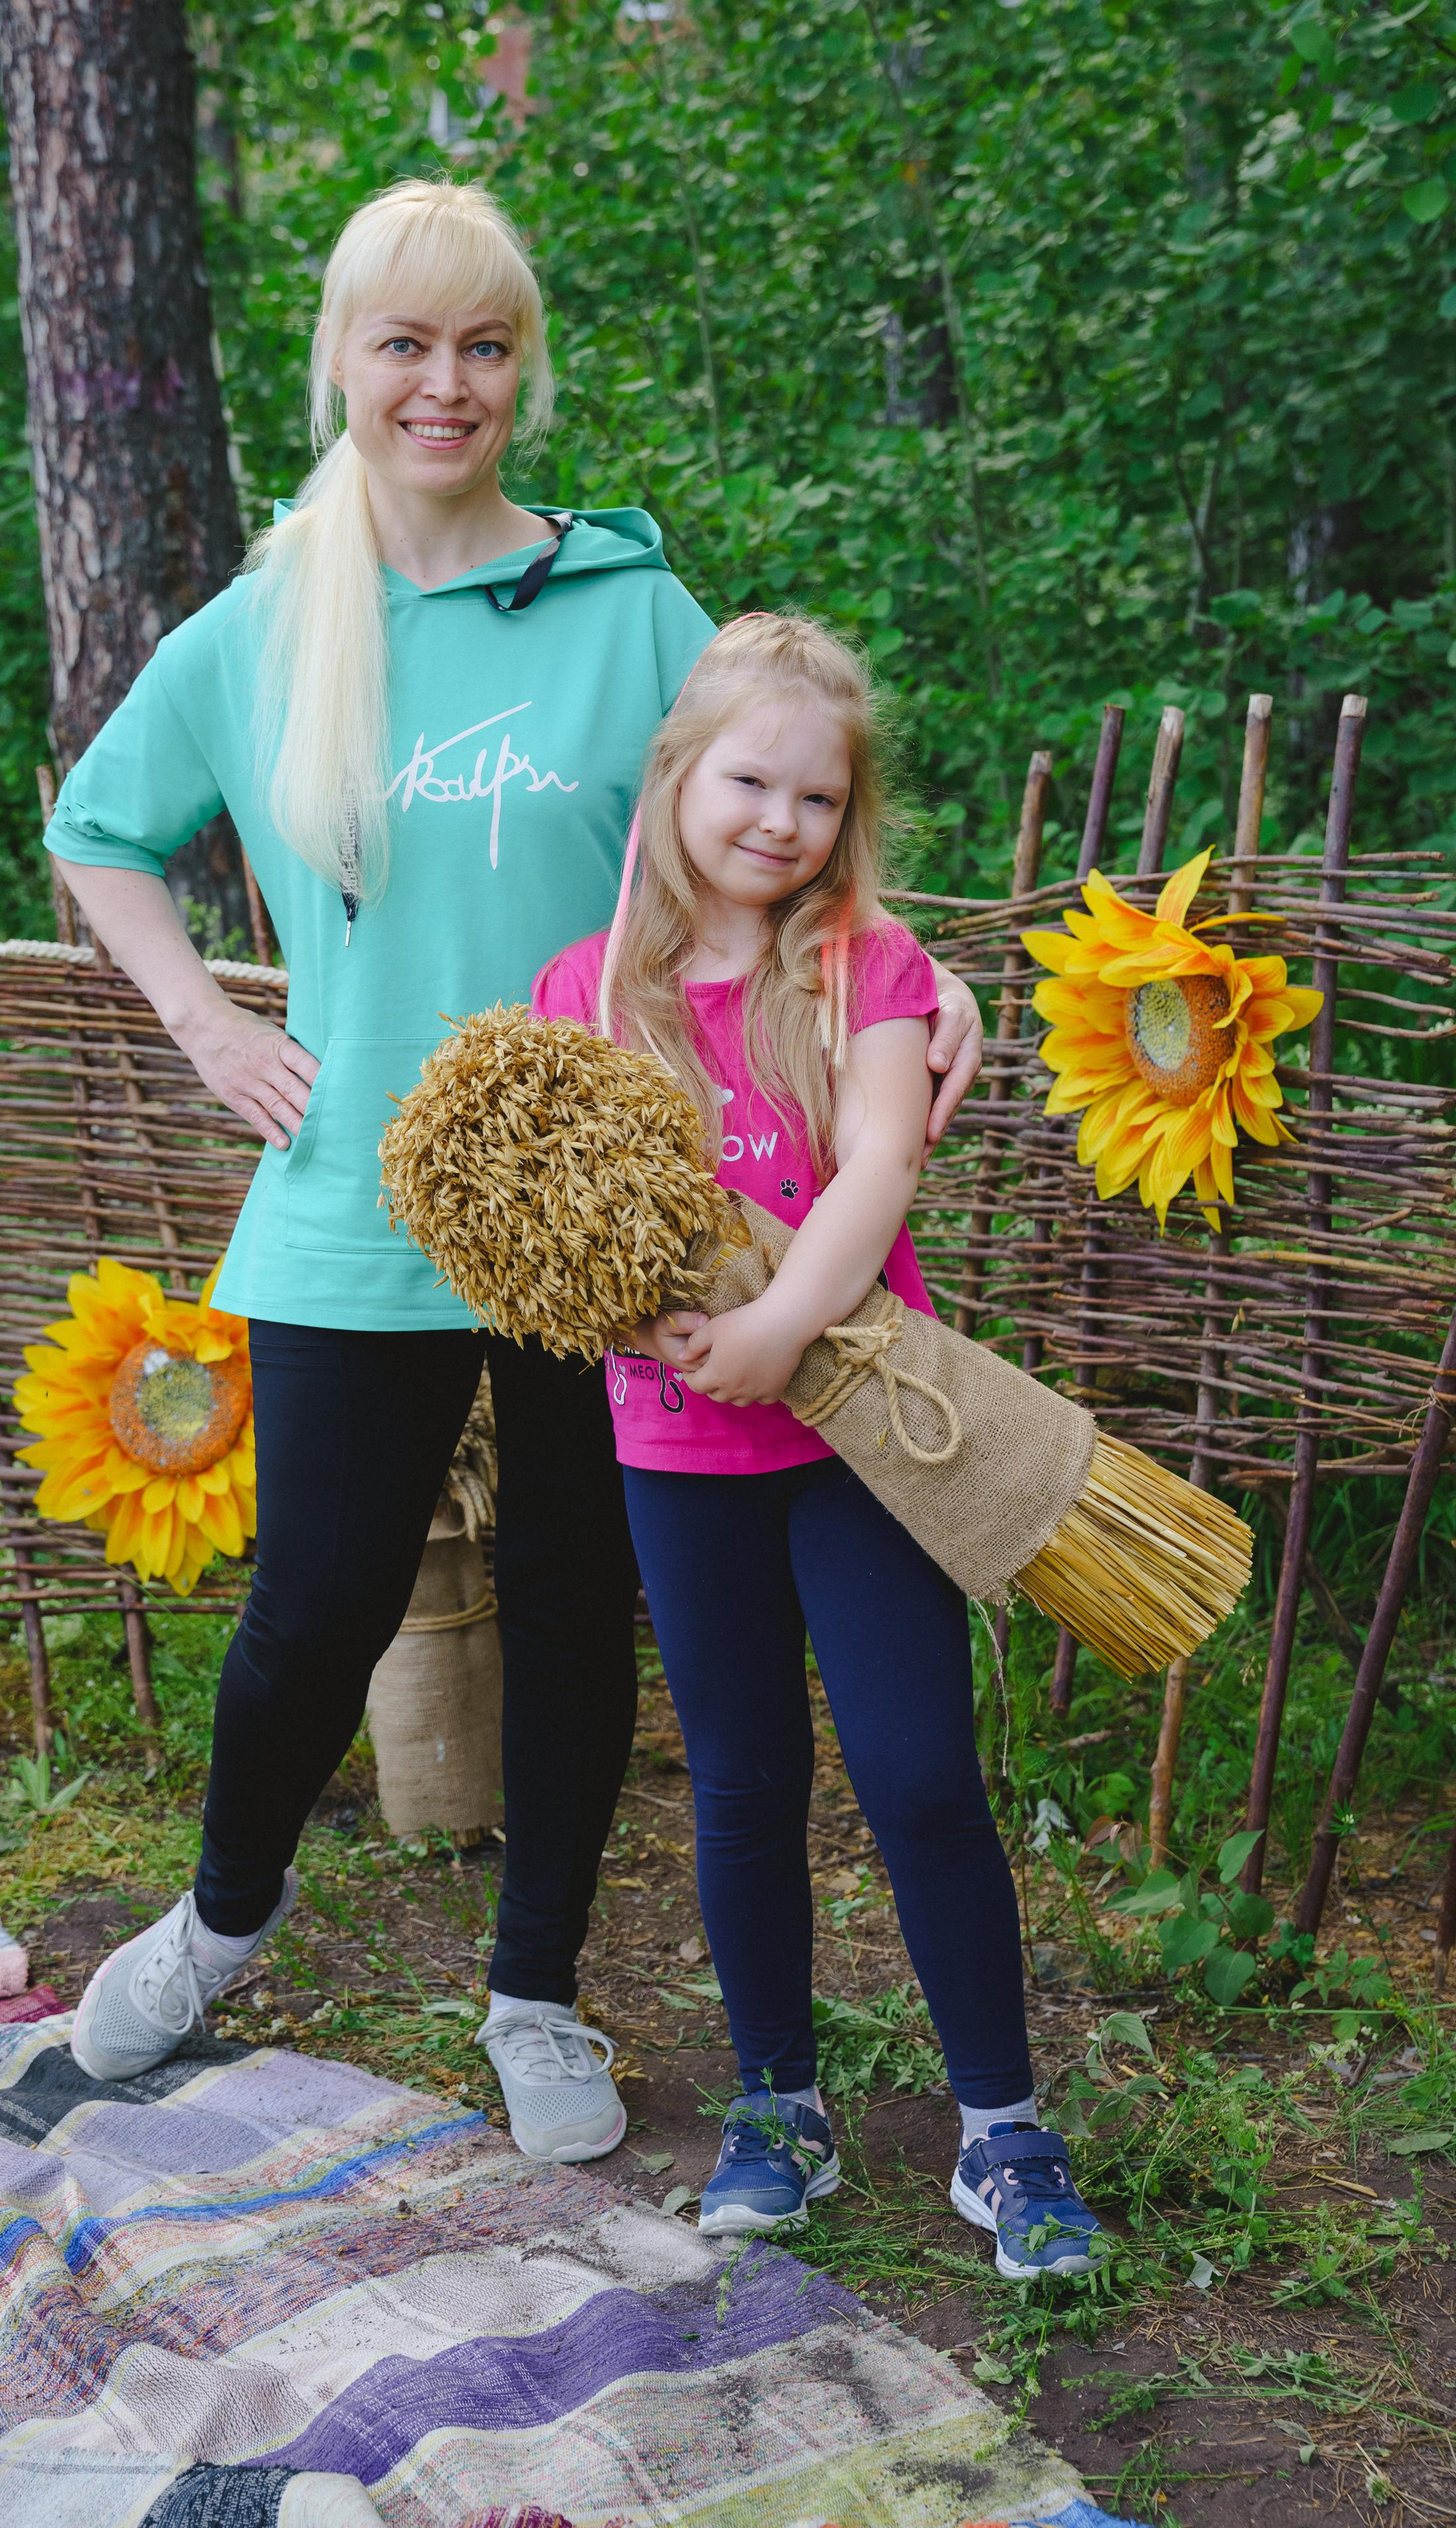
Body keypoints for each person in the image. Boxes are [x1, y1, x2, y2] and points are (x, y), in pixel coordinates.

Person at [43, 179, 986, 2163]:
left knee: (578, 1598)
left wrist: (927, 977)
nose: (444, 385)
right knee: (316, 1602)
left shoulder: (624, 604)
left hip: (622, 1208)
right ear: (344, 362)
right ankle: (224, 1918)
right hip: (349, 1201)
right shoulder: (269, 620)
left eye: (483, 345)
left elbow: (771, 800)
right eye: (404, 343)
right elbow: (99, 830)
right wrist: (210, 1025)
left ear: (521, 369)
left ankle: (535, 1993)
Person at [531, 613, 1103, 2278]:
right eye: (747, 782)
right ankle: (778, 2099)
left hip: (861, 1436)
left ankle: (1000, 2128)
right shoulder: (587, 992)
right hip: (677, 1448)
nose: (777, 821)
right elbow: (571, 1226)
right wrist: (651, 1325)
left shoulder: (866, 965)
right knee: (740, 1779)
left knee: (918, 1773)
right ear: (675, 780)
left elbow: (872, 1169)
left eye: (815, 798)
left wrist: (779, 1335)